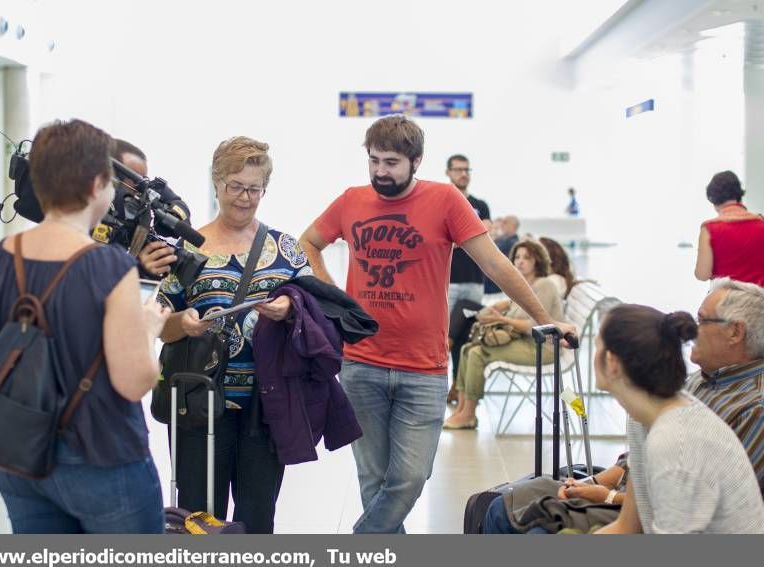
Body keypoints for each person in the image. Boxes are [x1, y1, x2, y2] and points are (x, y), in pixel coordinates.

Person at [299, 115, 573, 533]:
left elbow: (494, 264)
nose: (380, 171)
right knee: (372, 480)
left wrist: (545, 318)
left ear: (417, 161)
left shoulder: (445, 200)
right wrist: (335, 303)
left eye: (391, 162)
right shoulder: (351, 200)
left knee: (410, 477)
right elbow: (309, 243)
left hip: (423, 368)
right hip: (361, 363)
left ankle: (359, 541)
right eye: (373, 161)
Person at [0, 119, 170, 533]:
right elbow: (134, 382)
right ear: (94, 187)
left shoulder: (4, 254)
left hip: (18, 452)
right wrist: (150, 328)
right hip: (99, 456)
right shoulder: (108, 266)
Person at [158, 136, 312, 533]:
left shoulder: (286, 250)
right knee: (198, 517)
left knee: (258, 517)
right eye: (235, 186)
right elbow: (160, 322)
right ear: (216, 182)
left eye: (254, 189)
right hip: (199, 405)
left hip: (266, 405)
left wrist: (290, 308)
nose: (244, 198)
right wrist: (184, 323)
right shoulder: (187, 250)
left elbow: (317, 311)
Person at [594, 305, 764, 534]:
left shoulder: (675, 444)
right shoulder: (643, 417)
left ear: (612, 362)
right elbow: (627, 526)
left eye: (597, 346)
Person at [444, 240, 565, 429]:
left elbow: (535, 325)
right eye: (517, 257)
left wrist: (503, 320)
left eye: (526, 257)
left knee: (477, 354)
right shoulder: (523, 286)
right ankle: (461, 408)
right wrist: (501, 307)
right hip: (524, 342)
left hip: (542, 348)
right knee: (468, 348)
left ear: (537, 261)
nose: (520, 261)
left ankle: (468, 414)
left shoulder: (544, 285)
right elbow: (497, 314)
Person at [687, 278, 764, 494]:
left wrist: (613, 497)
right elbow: (642, 453)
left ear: (735, 333)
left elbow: (711, 500)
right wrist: (595, 483)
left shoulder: (755, 408)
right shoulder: (699, 380)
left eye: (702, 321)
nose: (692, 329)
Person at [483, 453, 629, 534]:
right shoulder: (641, 427)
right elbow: (625, 467)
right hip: (612, 493)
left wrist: (608, 497)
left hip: (624, 506)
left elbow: (643, 505)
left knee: (539, 533)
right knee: (500, 507)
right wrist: (584, 483)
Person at [109, 139, 192, 279]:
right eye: (134, 182)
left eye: (143, 181)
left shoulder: (138, 222)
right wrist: (137, 270)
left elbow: (178, 205)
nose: (140, 192)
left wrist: (147, 271)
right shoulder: (90, 221)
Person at [695, 170, 764, 285]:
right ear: (739, 195)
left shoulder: (710, 228)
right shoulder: (761, 223)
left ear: (713, 198)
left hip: (724, 299)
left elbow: (702, 274)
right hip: (759, 299)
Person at [446, 154, 491, 312]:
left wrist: (454, 238)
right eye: (458, 170)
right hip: (448, 281)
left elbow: (485, 237)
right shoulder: (443, 204)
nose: (463, 174)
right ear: (448, 172)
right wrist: (471, 236)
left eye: (466, 170)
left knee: (469, 329)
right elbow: (440, 241)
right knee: (447, 332)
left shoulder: (481, 205)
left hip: (475, 280)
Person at [483, 215, 520, 296]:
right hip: (492, 285)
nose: (502, 224)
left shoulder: (513, 243)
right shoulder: (503, 240)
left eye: (505, 222)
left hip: (497, 288)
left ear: (514, 226)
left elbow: (490, 252)